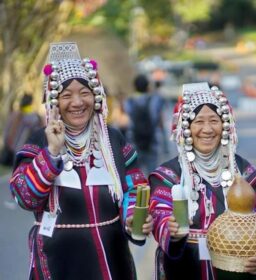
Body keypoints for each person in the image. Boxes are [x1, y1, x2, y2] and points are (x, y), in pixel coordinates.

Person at [9, 42, 153, 279]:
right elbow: (24, 197)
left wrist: (132, 217)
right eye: (67, 95)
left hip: (112, 257)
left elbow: (135, 187)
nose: (77, 103)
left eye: (84, 93)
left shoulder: (112, 139)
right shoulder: (38, 141)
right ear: (54, 102)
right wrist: (52, 153)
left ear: (96, 96)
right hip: (59, 259)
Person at [149, 83, 256, 280]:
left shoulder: (243, 171)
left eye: (214, 120)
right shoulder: (168, 175)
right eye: (198, 122)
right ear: (185, 127)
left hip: (237, 272)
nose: (207, 129)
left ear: (225, 125)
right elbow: (159, 212)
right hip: (184, 270)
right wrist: (171, 229)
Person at [124, 74, 167, 176]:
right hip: (152, 140)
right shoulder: (155, 99)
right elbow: (159, 120)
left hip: (135, 140)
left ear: (134, 86)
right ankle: (152, 190)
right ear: (147, 86)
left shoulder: (129, 101)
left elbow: (127, 120)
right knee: (152, 172)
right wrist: (165, 146)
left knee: (136, 174)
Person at [1, 93, 43, 166]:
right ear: (31, 102)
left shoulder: (15, 114)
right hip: (24, 146)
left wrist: (6, 140)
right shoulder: (34, 117)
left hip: (15, 145)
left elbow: (7, 129)